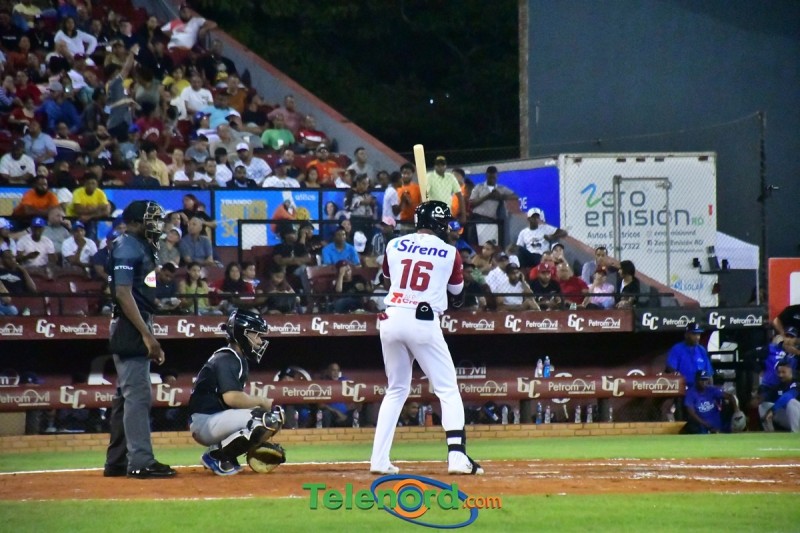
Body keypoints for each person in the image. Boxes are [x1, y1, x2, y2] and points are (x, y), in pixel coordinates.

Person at [370, 201, 483, 475]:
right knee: (447, 389)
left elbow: (387, 279)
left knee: (396, 389)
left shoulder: (394, 244)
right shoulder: (450, 252)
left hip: (391, 317)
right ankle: (457, 457)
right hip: (423, 320)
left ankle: (378, 460)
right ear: (440, 224)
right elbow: (457, 294)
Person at [103, 200, 177, 479]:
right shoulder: (127, 246)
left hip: (135, 321)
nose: (157, 225)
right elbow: (123, 293)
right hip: (130, 324)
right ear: (134, 222)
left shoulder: (139, 246)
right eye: (151, 220)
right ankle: (141, 460)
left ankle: (117, 461)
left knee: (126, 396)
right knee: (138, 395)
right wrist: (147, 335)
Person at [188, 308, 285, 476]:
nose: (260, 342)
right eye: (256, 335)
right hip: (205, 421)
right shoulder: (227, 358)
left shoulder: (235, 358)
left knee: (274, 416)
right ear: (242, 334)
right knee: (265, 419)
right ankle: (216, 456)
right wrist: (261, 401)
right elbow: (232, 398)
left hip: (212, 419)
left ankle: (228, 454)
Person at [469, 165, 517, 243]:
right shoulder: (479, 187)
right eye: (490, 177)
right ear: (486, 176)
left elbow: (515, 196)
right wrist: (487, 196)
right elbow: (471, 203)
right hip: (477, 218)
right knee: (475, 244)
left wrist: (501, 197)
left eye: (493, 177)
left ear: (497, 176)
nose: (492, 179)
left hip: (490, 220)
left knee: (488, 245)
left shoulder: (501, 189)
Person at [666, 323, 714, 391]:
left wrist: (711, 391)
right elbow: (671, 368)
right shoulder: (677, 349)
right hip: (683, 389)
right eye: (694, 334)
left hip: (700, 389)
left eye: (698, 334)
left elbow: (709, 373)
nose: (697, 337)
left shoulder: (701, 350)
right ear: (686, 335)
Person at [760, 359, 799, 433]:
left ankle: (796, 433)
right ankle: (770, 433)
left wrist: (772, 410)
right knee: (763, 405)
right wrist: (760, 398)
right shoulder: (779, 386)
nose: (780, 375)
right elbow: (768, 398)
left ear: (790, 371)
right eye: (779, 372)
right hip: (790, 419)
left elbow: (788, 396)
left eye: (783, 372)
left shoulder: (797, 382)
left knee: (791, 402)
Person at [426, 156, 465, 224]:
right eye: (438, 165)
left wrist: (463, 215)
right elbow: (424, 195)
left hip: (447, 214)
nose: (440, 167)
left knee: (450, 230)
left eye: (442, 165)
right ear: (434, 166)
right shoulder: (429, 177)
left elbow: (460, 196)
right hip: (433, 214)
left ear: (446, 166)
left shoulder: (450, 177)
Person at [0, 249, 37, 316]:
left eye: (13, 257)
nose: (12, 260)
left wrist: (24, 271)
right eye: (8, 258)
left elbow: (33, 289)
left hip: (19, 301)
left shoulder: (20, 272)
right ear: (2, 260)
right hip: (4, 301)